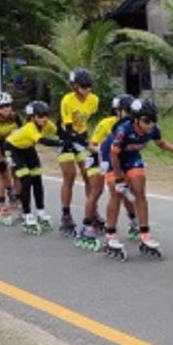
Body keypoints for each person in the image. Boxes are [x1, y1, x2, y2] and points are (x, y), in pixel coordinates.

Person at [100, 98, 173, 260]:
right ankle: (111, 235)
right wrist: (118, 178)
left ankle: (144, 235)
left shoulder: (152, 129)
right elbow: (113, 154)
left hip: (131, 158)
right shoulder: (124, 130)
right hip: (112, 158)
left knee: (139, 192)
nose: (150, 124)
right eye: (146, 120)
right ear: (136, 119)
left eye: (153, 120)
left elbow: (161, 143)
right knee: (116, 194)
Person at [75, 93, 138, 251]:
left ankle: (134, 221)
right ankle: (86, 226)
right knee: (97, 190)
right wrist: (106, 152)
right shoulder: (106, 123)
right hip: (98, 158)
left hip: (116, 160)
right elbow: (92, 145)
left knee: (124, 189)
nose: (129, 115)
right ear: (117, 111)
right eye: (126, 111)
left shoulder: (132, 126)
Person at [3, 101, 61, 234]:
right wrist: (60, 143)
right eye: (40, 116)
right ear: (32, 117)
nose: (44, 118)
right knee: (26, 180)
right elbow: (43, 141)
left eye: (46, 115)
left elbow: (57, 131)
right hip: (13, 148)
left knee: (37, 180)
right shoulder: (30, 127)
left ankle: (40, 211)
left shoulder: (46, 124)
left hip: (28, 148)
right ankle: (27, 213)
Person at [57, 68, 99, 235]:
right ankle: (66, 214)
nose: (87, 90)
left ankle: (92, 211)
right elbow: (68, 129)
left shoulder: (94, 100)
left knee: (89, 176)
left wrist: (89, 140)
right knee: (70, 176)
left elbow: (89, 121)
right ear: (74, 86)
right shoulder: (67, 100)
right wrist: (86, 143)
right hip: (66, 139)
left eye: (89, 86)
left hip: (81, 137)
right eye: (83, 87)